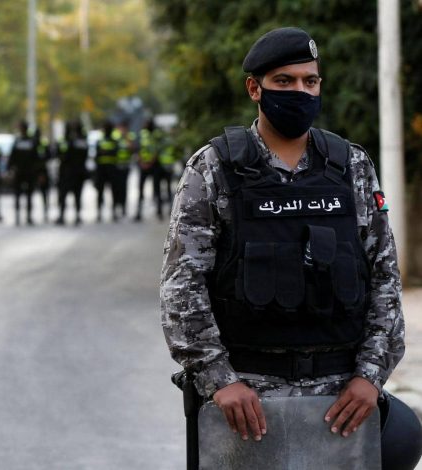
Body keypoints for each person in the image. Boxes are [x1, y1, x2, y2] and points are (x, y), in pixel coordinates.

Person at [160, 26, 419, 467]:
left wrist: (370, 376)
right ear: (254, 88)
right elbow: (182, 287)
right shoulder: (215, 168)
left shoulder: (351, 166)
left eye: (310, 81)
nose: (300, 91)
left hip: (341, 401)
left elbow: (384, 278)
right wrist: (220, 380)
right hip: (247, 405)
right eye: (284, 81)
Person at [55, 120, 89, 226]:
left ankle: (77, 215)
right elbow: (58, 153)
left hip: (76, 172)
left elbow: (84, 155)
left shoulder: (81, 141)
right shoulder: (65, 140)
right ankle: (62, 215)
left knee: (77, 195)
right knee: (63, 195)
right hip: (66, 172)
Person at [7, 121, 38, 226]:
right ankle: (18, 216)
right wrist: (10, 169)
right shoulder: (18, 141)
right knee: (18, 194)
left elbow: (35, 157)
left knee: (29, 195)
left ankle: (28, 216)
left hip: (29, 172)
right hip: (19, 172)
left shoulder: (31, 141)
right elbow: (12, 156)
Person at [134, 119, 162, 222]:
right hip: (144, 165)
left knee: (157, 189)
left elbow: (158, 150)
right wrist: (142, 162)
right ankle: (139, 213)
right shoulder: (142, 134)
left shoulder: (156, 135)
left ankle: (159, 212)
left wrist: (149, 162)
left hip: (154, 165)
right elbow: (138, 149)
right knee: (141, 190)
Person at [94, 120, 118, 222]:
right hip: (102, 170)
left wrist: (104, 152)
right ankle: (99, 212)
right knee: (100, 192)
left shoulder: (113, 141)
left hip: (110, 169)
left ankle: (113, 212)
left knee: (113, 191)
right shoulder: (100, 141)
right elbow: (97, 155)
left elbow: (115, 153)